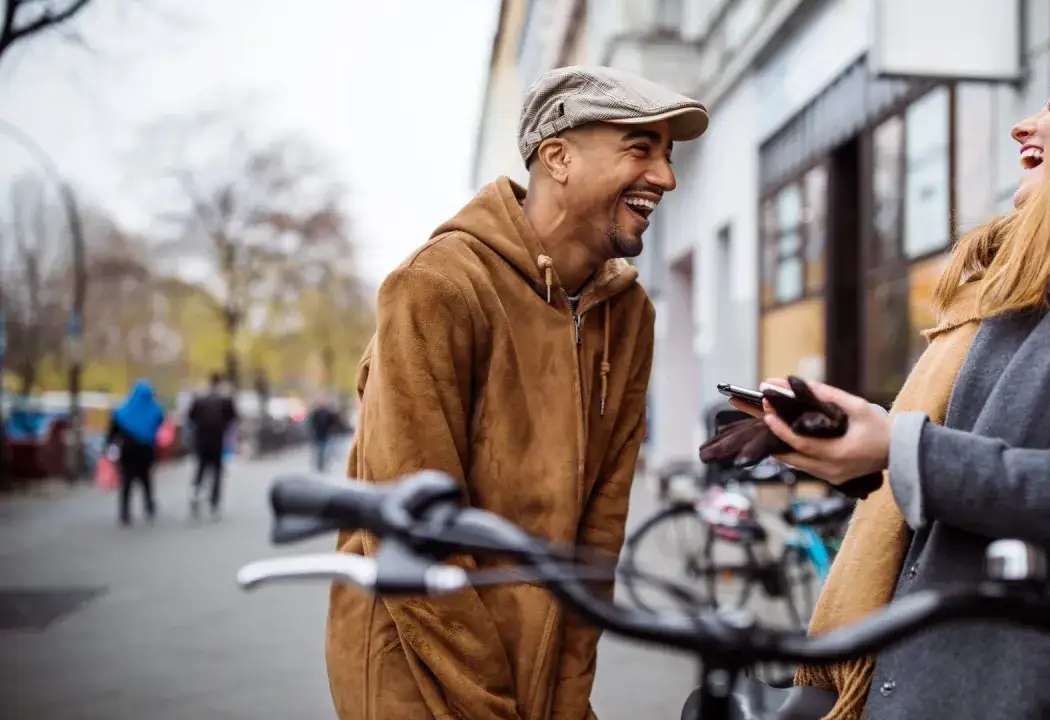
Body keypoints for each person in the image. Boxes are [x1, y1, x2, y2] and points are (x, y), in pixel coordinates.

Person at [732, 48, 1050, 719]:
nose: (1023, 126)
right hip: (912, 685)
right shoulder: (1019, 286)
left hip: (1036, 698)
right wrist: (847, 444)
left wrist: (899, 448)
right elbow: (978, 463)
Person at [326, 65, 708, 720]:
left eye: (668, 156)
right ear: (557, 157)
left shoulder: (630, 314)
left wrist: (565, 693)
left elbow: (599, 536)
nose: (666, 178)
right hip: (417, 674)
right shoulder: (440, 285)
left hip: (546, 679)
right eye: (640, 149)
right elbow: (414, 537)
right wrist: (489, 708)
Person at [107, 380, 166, 526]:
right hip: (146, 450)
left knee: (127, 480)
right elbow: (159, 423)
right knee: (146, 479)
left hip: (127, 450)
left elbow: (113, 432)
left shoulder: (122, 411)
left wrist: (109, 447)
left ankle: (125, 512)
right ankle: (149, 506)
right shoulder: (155, 410)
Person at [186, 372, 238, 519]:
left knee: (201, 469)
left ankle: (195, 494)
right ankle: (214, 502)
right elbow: (233, 418)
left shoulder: (200, 399)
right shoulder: (225, 400)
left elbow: (190, 418)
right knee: (216, 472)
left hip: (202, 440)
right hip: (217, 440)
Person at [306, 390, 340, 473]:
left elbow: (335, 422)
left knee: (324, 451)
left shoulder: (329, 413)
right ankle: (319, 465)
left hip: (326, 435)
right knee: (318, 451)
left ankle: (322, 465)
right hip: (318, 435)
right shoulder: (315, 413)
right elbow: (311, 423)